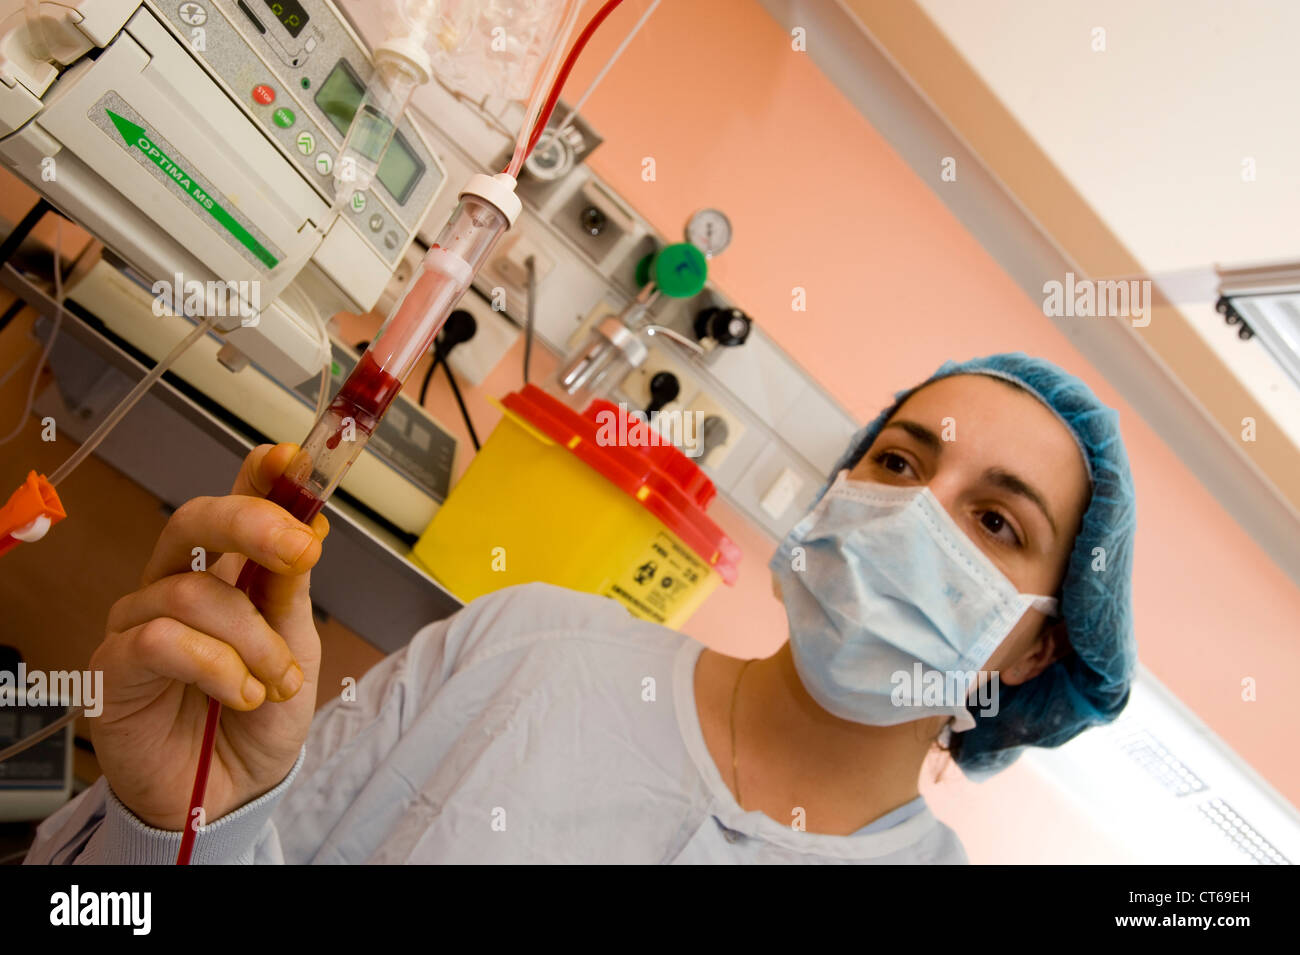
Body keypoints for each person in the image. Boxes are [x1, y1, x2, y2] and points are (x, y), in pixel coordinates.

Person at [25, 351, 1137, 864]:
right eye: (898, 461)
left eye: (996, 524)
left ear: (1040, 645)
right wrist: (164, 826)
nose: (914, 515)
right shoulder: (527, 646)